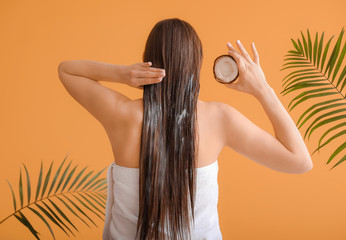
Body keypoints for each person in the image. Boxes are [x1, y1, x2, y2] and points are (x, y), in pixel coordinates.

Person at [57, 18, 313, 240]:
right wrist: (262, 89)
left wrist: (123, 74)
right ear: (197, 63)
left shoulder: (121, 114)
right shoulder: (219, 118)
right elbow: (299, 161)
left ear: (149, 61)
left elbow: (67, 70)